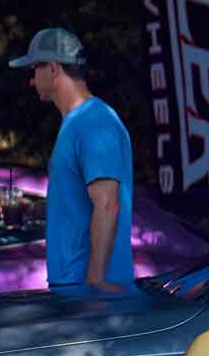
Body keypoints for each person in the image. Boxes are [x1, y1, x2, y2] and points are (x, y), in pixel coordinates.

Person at [8, 27, 135, 294]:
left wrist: (96, 281)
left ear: (53, 68)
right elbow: (79, 201)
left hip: (88, 294)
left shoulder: (95, 122)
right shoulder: (76, 123)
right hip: (72, 287)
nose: (31, 80)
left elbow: (108, 204)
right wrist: (32, 210)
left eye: (34, 69)